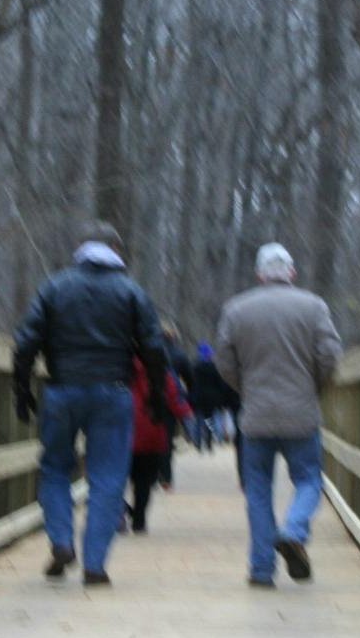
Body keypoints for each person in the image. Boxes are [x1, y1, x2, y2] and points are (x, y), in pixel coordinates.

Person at [12, 222, 167, 586]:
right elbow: (154, 348)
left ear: (80, 248)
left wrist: (22, 389)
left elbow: (25, 342)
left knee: (54, 468)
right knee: (108, 477)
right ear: (116, 248)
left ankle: (62, 541)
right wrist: (157, 395)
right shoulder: (130, 291)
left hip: (63, 389)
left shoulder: (55, 287)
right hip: (113, 392)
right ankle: (95, 563)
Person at [216, 243, 342, 588]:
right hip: (301, 413)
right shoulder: (313, 307)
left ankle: (261, 569)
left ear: (259, 275)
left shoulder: (236, 309)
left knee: (258, 491)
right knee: (308, 480)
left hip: (255, 415)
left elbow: (224, 361)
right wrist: (313, 385)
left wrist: (246, 387)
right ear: (292, 273)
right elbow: (330, 355)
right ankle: (294, 530)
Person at [124, 356, 192, 533]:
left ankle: (121, 512)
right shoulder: (161, 372)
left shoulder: (120, 367)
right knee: (144, 482)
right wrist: (186, 412)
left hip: (125, 433)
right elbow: (174, 399)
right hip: (153, 434)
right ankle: (139, 519)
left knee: (116, 479)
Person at [157, 324, 192, 488]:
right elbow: (190, 379)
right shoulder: (180, 355)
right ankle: (166, 477)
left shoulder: (150, 352)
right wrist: (188, 399)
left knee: (150, 437)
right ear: (174, 337)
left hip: (149, 400)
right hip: (170, 402)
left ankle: (153, 473)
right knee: (167, 440)